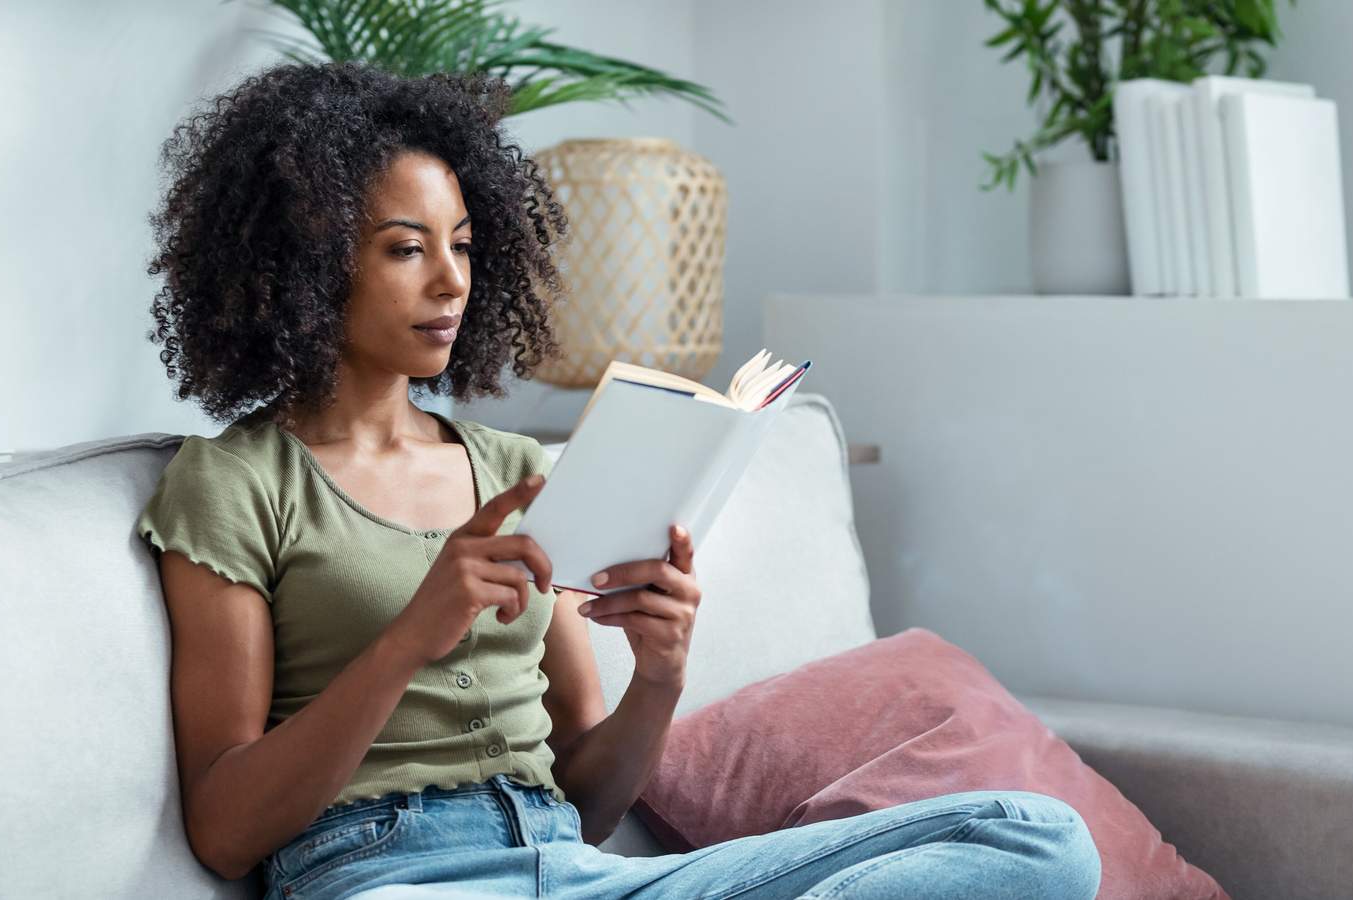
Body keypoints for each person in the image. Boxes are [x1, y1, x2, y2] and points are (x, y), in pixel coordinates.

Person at [135, 61, 1101, 900]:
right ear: (306, 263)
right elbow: (225, 828)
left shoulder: (515, 472)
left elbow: (591, 806)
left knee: (1037, 838)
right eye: (406, 248)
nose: (452, 282)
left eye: (464, 244)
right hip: (382, 872)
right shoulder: (234, 484)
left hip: (572, 865)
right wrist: (407, 642)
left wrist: (662, 678)